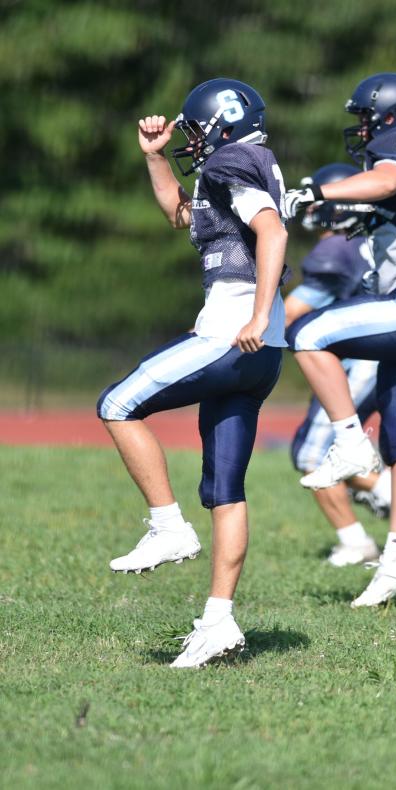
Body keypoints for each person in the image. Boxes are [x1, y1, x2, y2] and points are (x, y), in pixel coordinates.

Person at [99, 78, 288, 667]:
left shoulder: (232, 160)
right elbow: (183, 215)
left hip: (234, 330)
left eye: (196, 129)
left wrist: (254, 311)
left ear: (222, 124)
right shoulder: (245, 161)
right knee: (226, 490)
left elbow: (273, 230)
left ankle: (166, 526)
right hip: (264, 345)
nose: (191, 140)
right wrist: (156, 160)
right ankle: (218, 623)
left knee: (118, 404)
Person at [283, 72, 396, 607]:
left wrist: (317, 190)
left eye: (364, 117)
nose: (360, 129)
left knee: (309, 333)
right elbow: (383, 202)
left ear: (388, 117)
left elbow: (383, 183)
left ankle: (347, 438)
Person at [285, 162, 390, 567]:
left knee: (313, 456)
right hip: (376, 357)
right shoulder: (370, 241)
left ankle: (362, 539)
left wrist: (241, 324)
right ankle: (394, 506)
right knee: (336, 453)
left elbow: (293, 311)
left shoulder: (337, 247)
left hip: (357, 362)